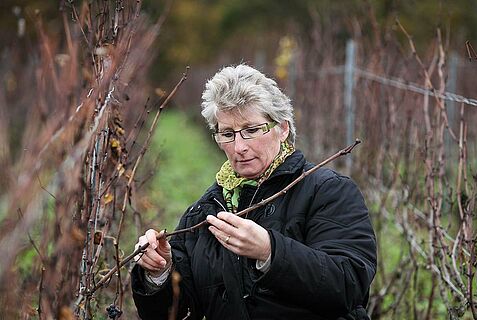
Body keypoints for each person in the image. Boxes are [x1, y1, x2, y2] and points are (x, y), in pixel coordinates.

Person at [131, 64, 377, 320]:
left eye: (250, 130)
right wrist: (159, 272)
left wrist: (271, 252)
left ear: (282, 129)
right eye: (227, 134)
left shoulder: (328, 191)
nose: (239, 147)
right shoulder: (204, 212)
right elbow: (176, 312)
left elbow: (349, 285)